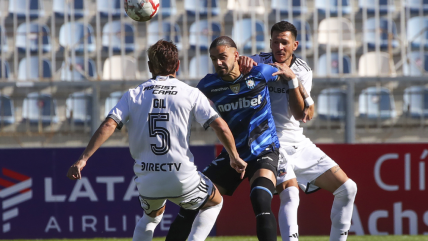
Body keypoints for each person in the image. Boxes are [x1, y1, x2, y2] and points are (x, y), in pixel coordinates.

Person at [66, 40, 247, 241]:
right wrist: (234, 156)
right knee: (214, 202)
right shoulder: (190, 93)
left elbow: (108, 125)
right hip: (182, 176)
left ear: (150, 66)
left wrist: (83, 159)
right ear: (178, 65)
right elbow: (220, 126)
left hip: (148, 177)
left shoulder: (133, 94)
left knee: (150, 218)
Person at [166, 36, 308, 241]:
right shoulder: (208, 84)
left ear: (236, 55)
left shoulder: (260, 73)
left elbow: (286, 72)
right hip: (232, 155)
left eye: (223, 57)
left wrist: (300, 88)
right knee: (192, 202)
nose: (218, 63)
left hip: (264, 150)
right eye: (214, 59)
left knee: (260, 199)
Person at [239, 21, 358, 241]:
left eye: (284, 42)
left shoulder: (303, 71)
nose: (279, 47)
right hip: (269, 142)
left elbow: (299, 114)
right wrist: (241, 63)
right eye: (275, 42)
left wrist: (291, 80)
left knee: (348, 189)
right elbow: (231, 69)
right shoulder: (258, 62)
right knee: (291, 193)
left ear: (295, 44)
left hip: (297, 142)